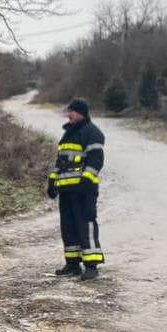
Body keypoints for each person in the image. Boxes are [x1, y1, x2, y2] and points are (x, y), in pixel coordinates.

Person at [47, 97, 105, 281]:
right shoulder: (69, 134)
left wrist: (86, 182)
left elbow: (96, 160)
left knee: (85, 225)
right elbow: (61, 162)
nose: (68, 115)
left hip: (83, 190)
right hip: (66, 191)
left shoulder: (92, 132)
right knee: (68, 227)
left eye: (71, 111)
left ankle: (91, 265)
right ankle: (72, 264)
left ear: (80, 112)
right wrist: (52, 181)